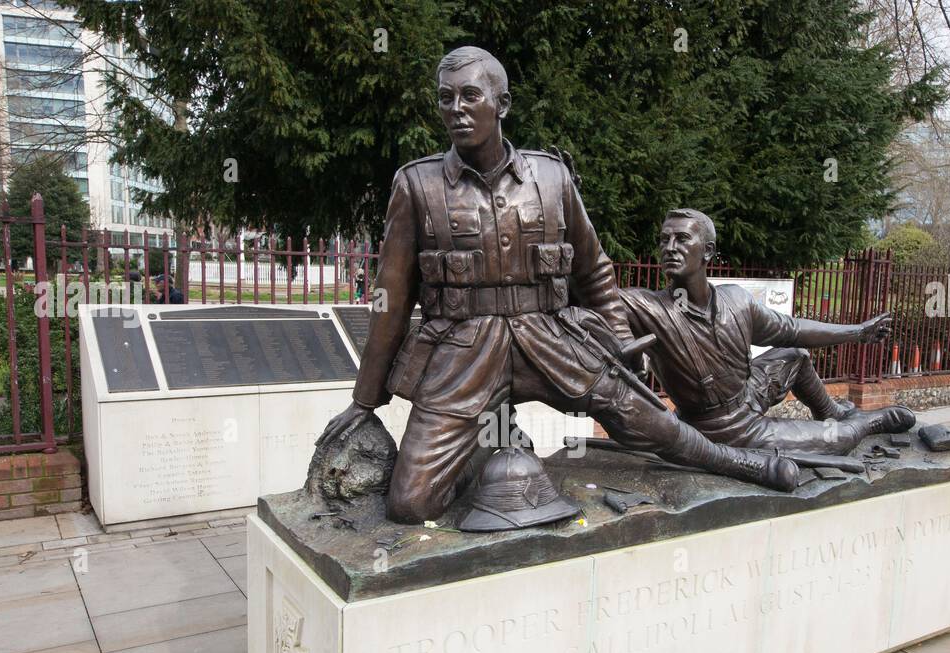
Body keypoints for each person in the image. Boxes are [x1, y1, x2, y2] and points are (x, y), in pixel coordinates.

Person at [318, 47, 798, 524]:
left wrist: (621, 340)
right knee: (411, 503)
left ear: (501, 104)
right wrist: (366, 396)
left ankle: (742, 463)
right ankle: (488, 451)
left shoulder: (551, 176)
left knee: (649, 422)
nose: (456, 110)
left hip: (549, 336)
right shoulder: (417, 185)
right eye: (446, 99)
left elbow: (593, 270)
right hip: (463, 351)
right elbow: (390, 301)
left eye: (469, 96)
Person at [618, 209, 915, 454]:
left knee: (794, 355)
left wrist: (859, 332)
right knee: (837, 438)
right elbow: (592, 290)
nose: (670, 248)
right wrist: (568, 197)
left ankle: (831, 411)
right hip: (722, 428)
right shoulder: (645, 306)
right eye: (664, 240)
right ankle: (864, 424)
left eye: (682, 239)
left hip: (748, 393)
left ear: (707, 251)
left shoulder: (736, 299)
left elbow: (794, 330)